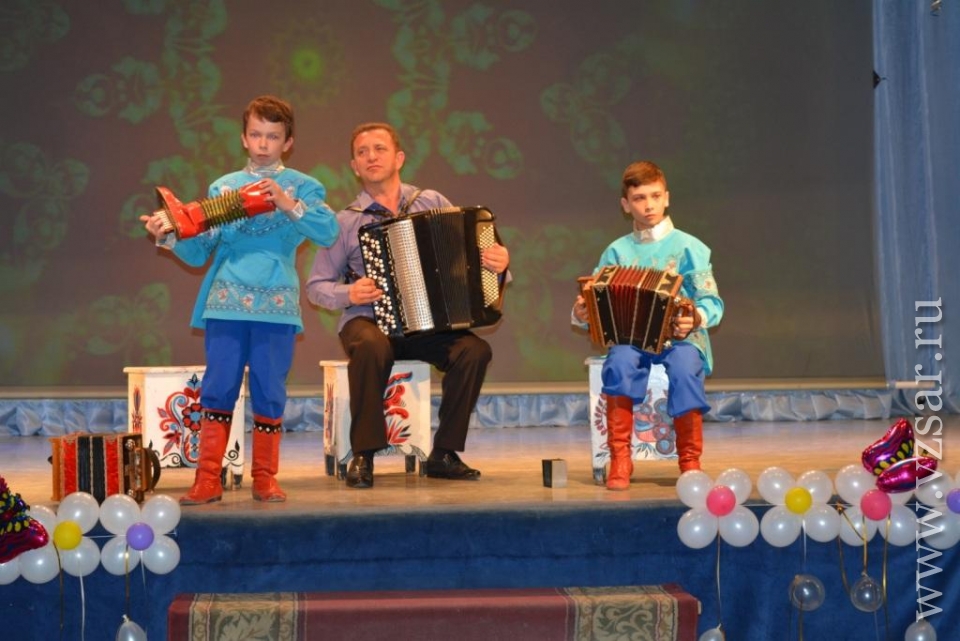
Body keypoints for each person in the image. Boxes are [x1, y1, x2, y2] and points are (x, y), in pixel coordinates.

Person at [140, 95, 339, 505]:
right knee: (218, 387)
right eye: (256, 134)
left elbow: (328, 231)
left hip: (277, 306)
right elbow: (201, 251)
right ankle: (207, 479)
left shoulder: (303, 186)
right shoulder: (224, 187)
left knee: (270, 389)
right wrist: (169, 235)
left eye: (273, 136)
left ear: (288, 142)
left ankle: (265, 479)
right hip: (225, 301)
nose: (263, 144)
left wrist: (286, 202)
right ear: (244, 138)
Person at [305, 122, 510, 489]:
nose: (371, 156)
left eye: (379, 149)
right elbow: (316, 287)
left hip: (428, 324)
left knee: (474, 351)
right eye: (362, 152)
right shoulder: (345, 222)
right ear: (354, 166)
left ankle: (444, 453)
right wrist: (350, 294)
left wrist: (498, 263)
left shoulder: (430, 202)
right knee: (372, 345)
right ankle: (364, 454)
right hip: (367, 322)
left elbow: (468, 254)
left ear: (399, 158)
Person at [572, 160, 723, 491]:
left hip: (680, 339)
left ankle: (690, 461)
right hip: (631, 339)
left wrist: (695, 318)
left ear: (667, 198)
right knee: (619, 362)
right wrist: (583, 314)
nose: (649, 205)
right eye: (639, 198)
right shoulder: (616, 252)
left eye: (655, 196)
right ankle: (620, 458)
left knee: (685, 367)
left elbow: (712, 302)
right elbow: (598, 304)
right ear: (626, 205)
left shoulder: (690, 247)